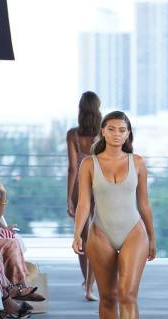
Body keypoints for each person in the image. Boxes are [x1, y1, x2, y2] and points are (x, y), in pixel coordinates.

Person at [72, 111, 156, 319]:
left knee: (128, 294)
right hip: (100, 232)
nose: (117, 134)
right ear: (103, 132)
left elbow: (144, 203)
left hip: (134, 232)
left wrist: (153, 238)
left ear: (128, 134)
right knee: (108, 297)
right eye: (112, 129)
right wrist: (77, 233)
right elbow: (84, 202)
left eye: (122, 130)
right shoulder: (89, 163)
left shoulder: (138, 162)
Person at [67, 91, 101, 301]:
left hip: (81, 186)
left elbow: (72, 168)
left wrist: (69, 197)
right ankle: (92, 284)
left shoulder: (73, 135)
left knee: (83, 237)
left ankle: (86, 284)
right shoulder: (103, 133)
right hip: (101, 186)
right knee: (99, 237)